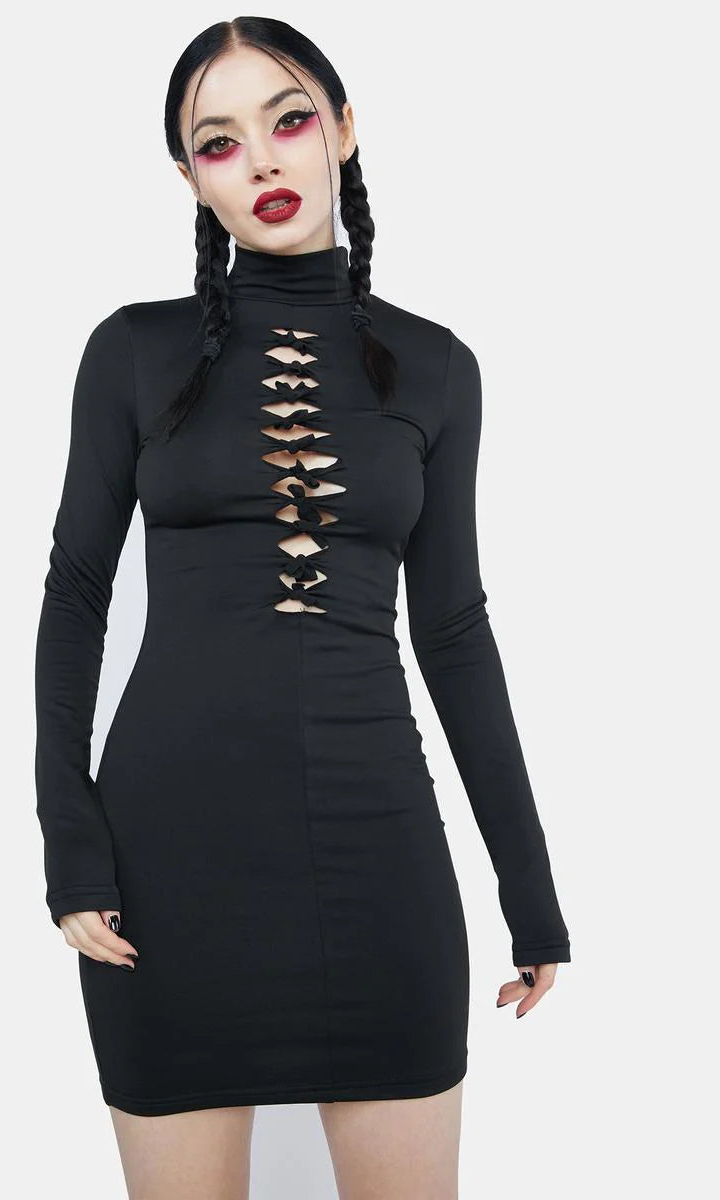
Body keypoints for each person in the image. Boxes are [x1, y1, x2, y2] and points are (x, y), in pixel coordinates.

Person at [34, 16, 571, 1199]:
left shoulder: (437, 368)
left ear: (343, 129)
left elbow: (455, 632)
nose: (264, 160)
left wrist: (528, 892)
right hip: (166, 866)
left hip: (379, 857)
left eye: (289, 120)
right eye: (219, 141)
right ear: (190, 176)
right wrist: (68, 839)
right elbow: (75, 598)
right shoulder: (133, 352)